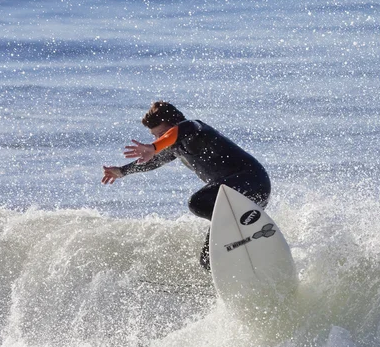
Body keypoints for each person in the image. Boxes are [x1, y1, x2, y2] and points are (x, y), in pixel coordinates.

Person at [102, 101, 271, 270]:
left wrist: (154, 147)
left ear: (174, 124)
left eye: (161, 134)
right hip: (237, 197)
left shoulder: (194, 128)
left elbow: (183, 129)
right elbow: (154, 162)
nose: (158, 139)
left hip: (252, 181)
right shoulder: (175, 147)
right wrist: (122, 171)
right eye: (155, 137)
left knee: (198, 202)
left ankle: (242, 229)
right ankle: (245, 246)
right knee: (208, 260)